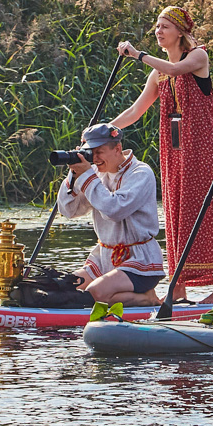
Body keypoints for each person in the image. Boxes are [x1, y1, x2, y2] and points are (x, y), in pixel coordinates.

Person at [112, 6, 213, 304]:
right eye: (157, 26)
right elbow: (136, 111)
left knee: (211, 210)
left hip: (205, 147)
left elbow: (175, 69)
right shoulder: (157, 73)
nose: (159, 31)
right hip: (175, 151)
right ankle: (178, 289)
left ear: (180, 32)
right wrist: (105, 128)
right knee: (176, 210)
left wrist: (137, 54)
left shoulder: (197, 56)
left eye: (164, 26)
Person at [58, 123, 164, 307]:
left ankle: (147, 298)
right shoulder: (95, 174)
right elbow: (69, 211)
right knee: (65, 289)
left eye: (99, 152)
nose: (95, 158)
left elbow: (114, 210)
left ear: (118, 148)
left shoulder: (140, 173)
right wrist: (74, 174)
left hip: (138, 261)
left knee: (94, 293)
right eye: (91, 153)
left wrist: (87, 177)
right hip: (104, 258)